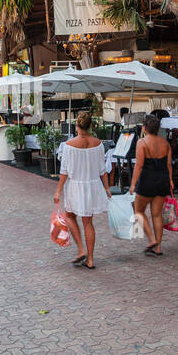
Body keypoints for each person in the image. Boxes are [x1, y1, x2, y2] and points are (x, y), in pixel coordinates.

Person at [53, 112, 111, 270]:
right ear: (91, 126)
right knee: (88, 222)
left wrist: (58, 191)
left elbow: (64, 171)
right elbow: (102, 170)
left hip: (75, 186)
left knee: (70, 216)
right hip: (92, 186)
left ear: (76, 126)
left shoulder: (69, 145)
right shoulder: (98, 143)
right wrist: (107, 188)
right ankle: (90, 259)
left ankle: (80, 250)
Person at [130, 114, 174, 256]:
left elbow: (139, 165)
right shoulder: (165, 143)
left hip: (146, 181)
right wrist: (171, 180)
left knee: (138, 211)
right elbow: (168, 164)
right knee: (156, 215)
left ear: (144, 128)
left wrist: (132, 184)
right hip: (162, 180)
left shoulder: (142, 143)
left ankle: (151, 239)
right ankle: (159, 247)